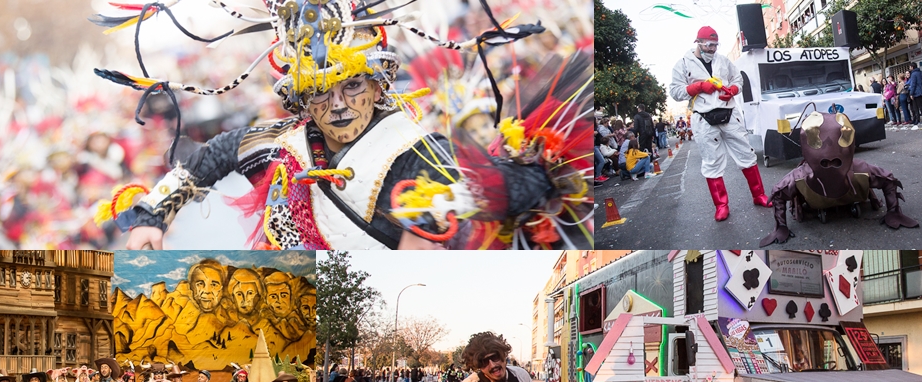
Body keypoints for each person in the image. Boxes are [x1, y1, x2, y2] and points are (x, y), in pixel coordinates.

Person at [95, 0, 590, 251]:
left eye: (352, 86)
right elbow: (200, 165)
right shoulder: (269, 141)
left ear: (378, 87)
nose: (337, 105)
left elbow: (484, 192)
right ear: (301, 100)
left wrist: (505, 186)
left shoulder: (415, 150)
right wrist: (150, 218)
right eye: (320, 92)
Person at [669, 26, 771, 221]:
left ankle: (759, 195)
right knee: (712, 162)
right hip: (704, 118)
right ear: (698, 42)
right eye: (709, 45)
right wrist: (697, 87)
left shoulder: (723, 60)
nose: (713, 49)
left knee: (746, 155)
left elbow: (738, 80)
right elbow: (675, 92)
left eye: (716, 45)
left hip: (730, 114)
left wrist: (733, 89)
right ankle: (721, 205)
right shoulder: (682, 64)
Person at [907, 64, 922, 129]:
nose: (910, 68)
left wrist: (911, 93)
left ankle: (918, 119)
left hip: (916, 92)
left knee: (916, 107)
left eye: (910, 67)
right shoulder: (921, 72)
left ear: (912, 67)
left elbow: (913, 84)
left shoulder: (913, 74)